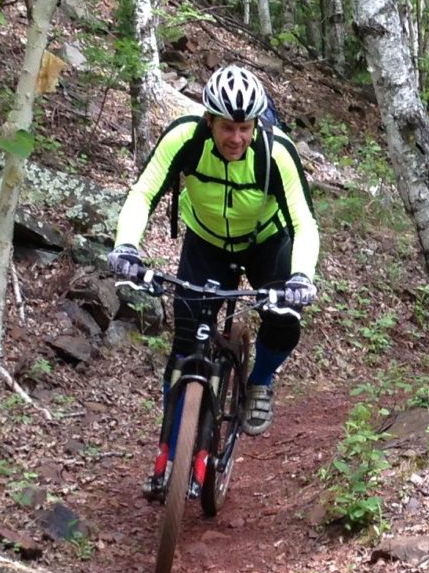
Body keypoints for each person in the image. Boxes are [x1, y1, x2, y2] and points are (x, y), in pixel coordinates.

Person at [105, 64, 318, 497]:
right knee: (185, 342)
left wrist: (300, 277)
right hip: (206, 243)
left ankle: (258, 382)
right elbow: (143, 192)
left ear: (255, 124)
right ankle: (170, 451)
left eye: (244, 128)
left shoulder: (276, 153)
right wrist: (127, 247)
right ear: (209, 121)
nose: (235, 138)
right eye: (226, 127)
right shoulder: (184, 138)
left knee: (284, 319)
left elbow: (305, 221)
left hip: (264, 241)